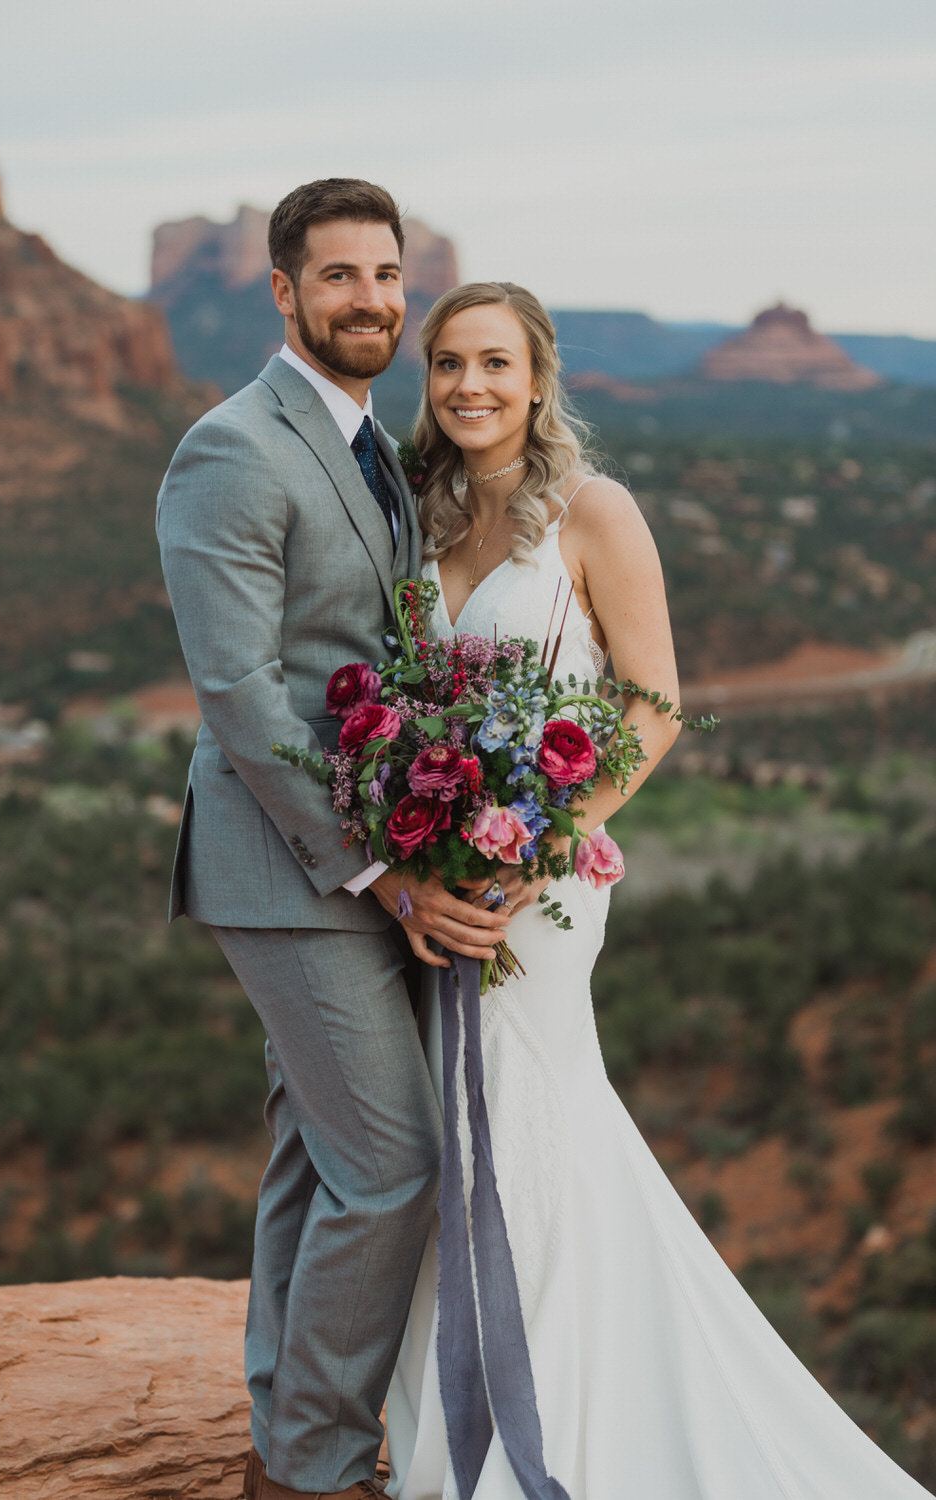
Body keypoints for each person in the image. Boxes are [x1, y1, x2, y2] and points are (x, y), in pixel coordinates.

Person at [383, 281, 933, 1499]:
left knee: (526, 1116)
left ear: (537, 378)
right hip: (436, 885)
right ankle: (459, 1407)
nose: (470, 385)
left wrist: (541, 839)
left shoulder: (594, 511)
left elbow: (654, 705)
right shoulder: (414, 517)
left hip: (543, 889)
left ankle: (543, 1428)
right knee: (446, 1132)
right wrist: (414, 854)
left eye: (495, 362)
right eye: (448, 364)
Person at [155, 183, 511, 1500]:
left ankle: (279, 1434)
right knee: (393, 1164)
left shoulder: (371, 443)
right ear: (282, 291)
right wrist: (385, 868)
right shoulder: (232, 450)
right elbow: (242, 696)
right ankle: (313, 1470)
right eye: (339, 276)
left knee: (317, 1155)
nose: (369, 300)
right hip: (288, 866)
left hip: (376, 852)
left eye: (386, 275)